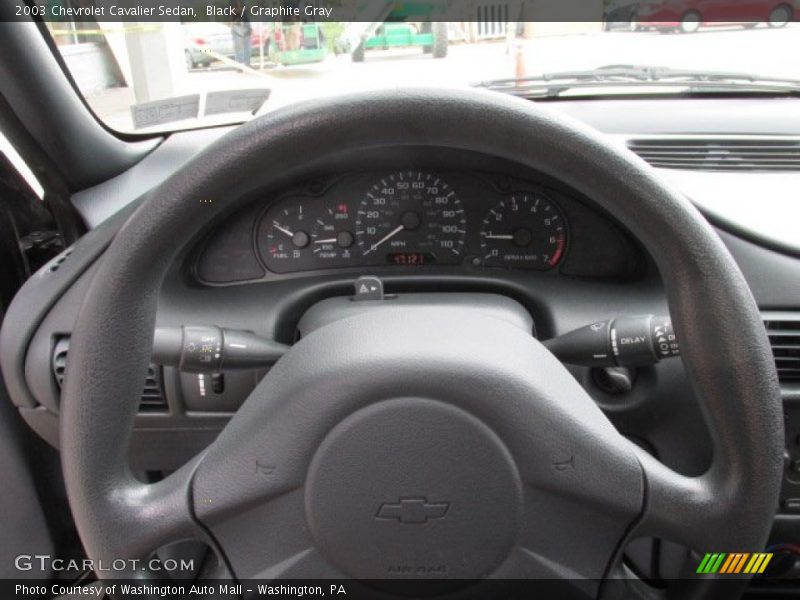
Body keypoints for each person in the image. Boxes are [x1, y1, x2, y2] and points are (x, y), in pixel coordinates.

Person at [231, 0, 252, 68]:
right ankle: (239, 66)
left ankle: (247, 64)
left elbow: (246, 12)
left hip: (245, 24)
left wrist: (249, 26)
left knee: (247, 46)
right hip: (237, 24)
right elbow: (233, 11)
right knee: (238, 47)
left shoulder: (244, 1)